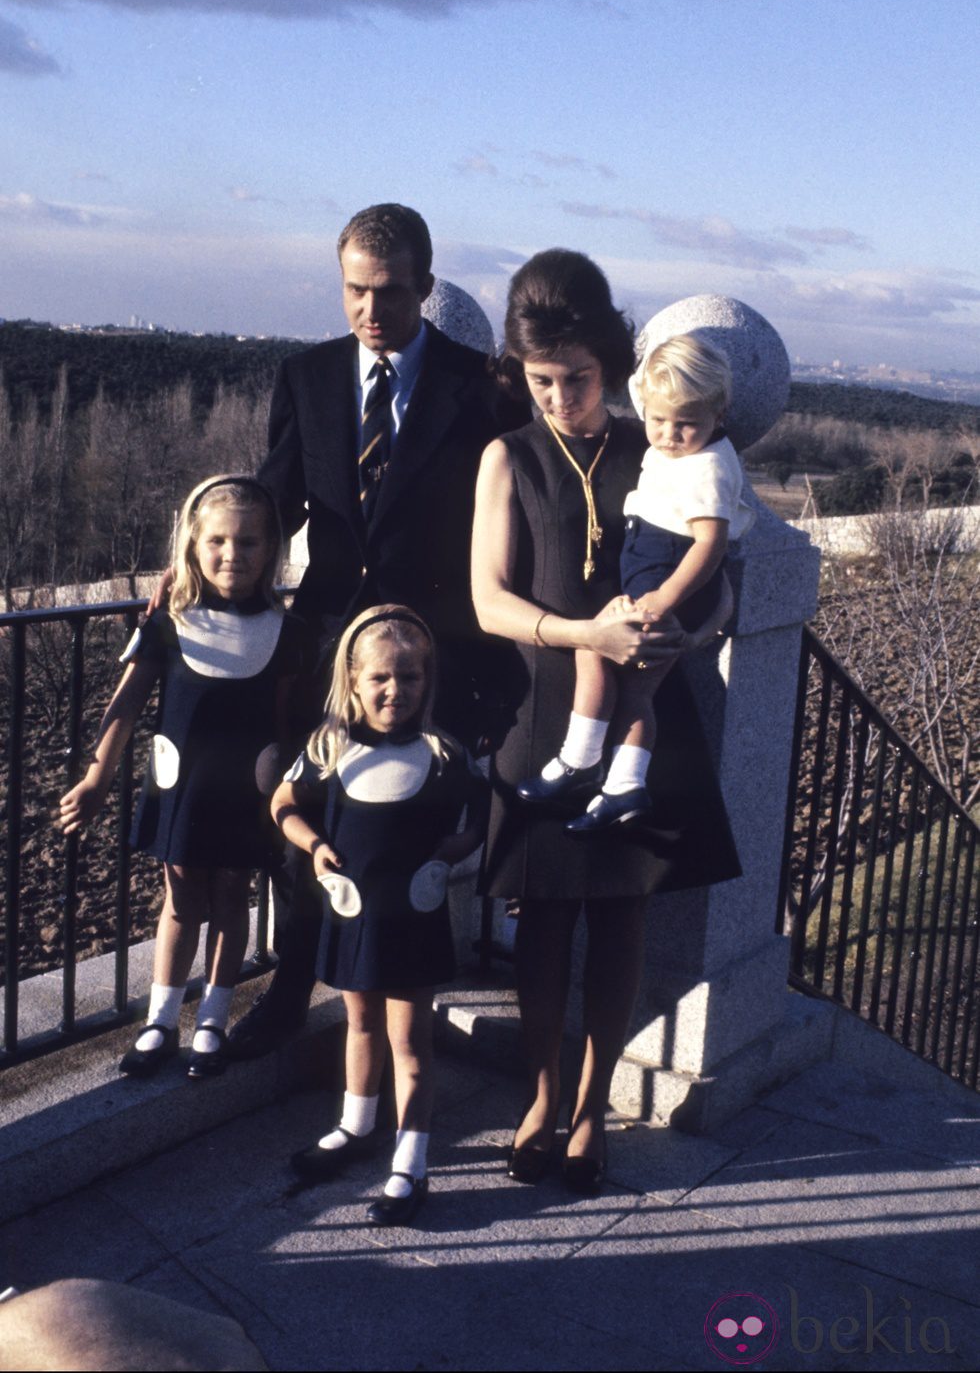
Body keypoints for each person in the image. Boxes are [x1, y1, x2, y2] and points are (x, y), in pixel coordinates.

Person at [471, 249, 741, 1193]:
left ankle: (592, 1109)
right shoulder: (507, 456)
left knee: (620, 919)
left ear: (613, 364)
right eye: (541, 380)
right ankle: (540, 1098)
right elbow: (487, 601)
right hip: (543, 716)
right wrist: (581, 629)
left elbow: (719, 581)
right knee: (542, 924)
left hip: (645, 714)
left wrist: (686, 638)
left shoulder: (662, 440)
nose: (560, 398)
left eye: (577, 379)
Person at [227, 202, 525, 1059]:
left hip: (435, 652)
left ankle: (400, 1015)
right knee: (309, 813)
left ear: (425, 288)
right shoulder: (307, 376)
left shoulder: (482, 389)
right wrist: (199, 561)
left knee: (406, 827)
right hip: (324, 649)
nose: (369, 310)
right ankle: (291, 987)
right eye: (355, 290)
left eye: (389, 293)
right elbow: (276, 501)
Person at [60, 476, 305, 1079]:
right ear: (193, 546)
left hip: (247, 791)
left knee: (230, 898)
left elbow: (286, 721)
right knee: (180, 898)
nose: (233, 554)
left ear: (271, 548)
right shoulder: (169, 622)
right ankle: (161, 1020)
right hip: (183, 788)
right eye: (218, 540)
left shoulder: (287, 631)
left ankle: (213, 1020)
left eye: (249, 542)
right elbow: (125, 706)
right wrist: (95, 778)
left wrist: (287, 794)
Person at [271, 606, 487, 1226]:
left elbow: (480, 811)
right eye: (380, 679)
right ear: (354, 680)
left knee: (409, 1040)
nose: (395, 691)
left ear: (428, 680)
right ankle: (355, 1125)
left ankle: (410, 1161)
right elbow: (284, 802)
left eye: (410, 678)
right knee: (358, 1023)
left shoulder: (442, 753)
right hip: (353, 916)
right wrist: (313, 845)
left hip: (413, 917)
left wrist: (458, 849)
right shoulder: (330, 748)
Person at [520, 331, 755, 833]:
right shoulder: (679, 451)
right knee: (608, 664)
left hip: (673, 583)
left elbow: (710, 545)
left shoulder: (709, 467)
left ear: (720, 414)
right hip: (655, 575)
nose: (668, 434)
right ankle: (605, 775)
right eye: (658, 420)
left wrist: (662, 603)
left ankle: (597, 771)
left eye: (685, 424)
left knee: (619, 675)